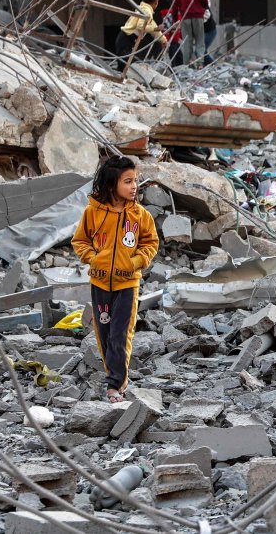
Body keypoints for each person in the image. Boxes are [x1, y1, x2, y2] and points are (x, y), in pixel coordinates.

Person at [71, 156, 158, 403]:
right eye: (128, 181)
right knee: (105, 334)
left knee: (120, 335)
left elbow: (150, 243)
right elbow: (80, 241)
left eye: (136, 181)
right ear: (112, 184)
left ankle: (115, 385)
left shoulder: (140, 215)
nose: (134, 187)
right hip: (99, 283)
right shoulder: (93, 213)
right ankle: (114, 375)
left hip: (127, 284)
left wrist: (136, 261)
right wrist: (93, 258)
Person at [115, 0, 168, 70]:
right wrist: (155, 28)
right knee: (125, 65)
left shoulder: (142, 8)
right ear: (156, 2)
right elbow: (141, 26)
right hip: (125, 39)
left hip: (124, 39)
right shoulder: (147, 11)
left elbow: (153, 26)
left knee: (125, 64)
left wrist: (163, 40)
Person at [172, 0, 210, 65]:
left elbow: (176, 3)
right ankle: (200, 64)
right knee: (199, 41)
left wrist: (175, 18)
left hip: (185, 17)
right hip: (198, 16)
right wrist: (204, 7)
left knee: (187, 43)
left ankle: (187, 66)